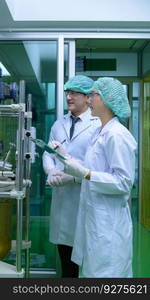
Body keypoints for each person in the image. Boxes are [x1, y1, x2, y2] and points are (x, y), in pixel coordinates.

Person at [52, 77, 137, 278]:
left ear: (106, 100)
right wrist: (66, 157)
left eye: (93, 95)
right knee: (93, 273)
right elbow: (92, 166)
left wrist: (86, 174)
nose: (89, 100)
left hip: (108, 223)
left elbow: (124, 182)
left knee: (108, 275)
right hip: (95, 219)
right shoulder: (100, 132)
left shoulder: (117, 135)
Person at [42, 75, 101, 277]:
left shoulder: (97, 125)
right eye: (68, 92)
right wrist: (51, 170)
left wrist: (74, 177)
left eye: (74, 93)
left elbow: (96, 163)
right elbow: (48, 152)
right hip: (62, 198)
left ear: (87, 98)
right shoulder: (59, 124)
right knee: (66, 260)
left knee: (90, 260)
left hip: (85, 196)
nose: (69, 97)